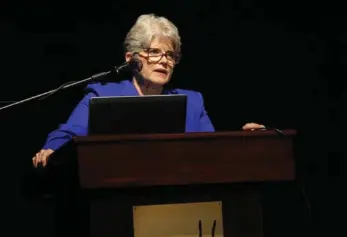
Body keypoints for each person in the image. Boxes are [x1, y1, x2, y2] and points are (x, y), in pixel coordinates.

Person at [32, 14, 264, 167]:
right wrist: (51, 150)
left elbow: (213, 151)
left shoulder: (192, 102)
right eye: (154, 52)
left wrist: (244, 142)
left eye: (170, 55)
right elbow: (67, 134)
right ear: (131, 59)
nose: (164, 61)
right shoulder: (102, 96)